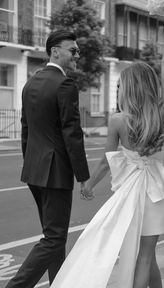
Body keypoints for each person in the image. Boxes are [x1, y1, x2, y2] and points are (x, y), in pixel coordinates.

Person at [50, 11, 164, 288]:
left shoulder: (119, 120)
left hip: (131, 194)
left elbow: (107, 161)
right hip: (156, 193)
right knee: (147, 256)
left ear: (128, 89)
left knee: (136, 258)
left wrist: (89, 185)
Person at [5, 30, 90, 288]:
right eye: (73, 50)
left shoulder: (31, 83)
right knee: (54, 238)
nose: (77, 55)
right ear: (55, 51)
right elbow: (72, 134)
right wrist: (84, 177)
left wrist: (31, 163)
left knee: (55, 237)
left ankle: (59, 284)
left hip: (35, 171)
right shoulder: (64, 84)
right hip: (55, 173)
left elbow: (26, 130)